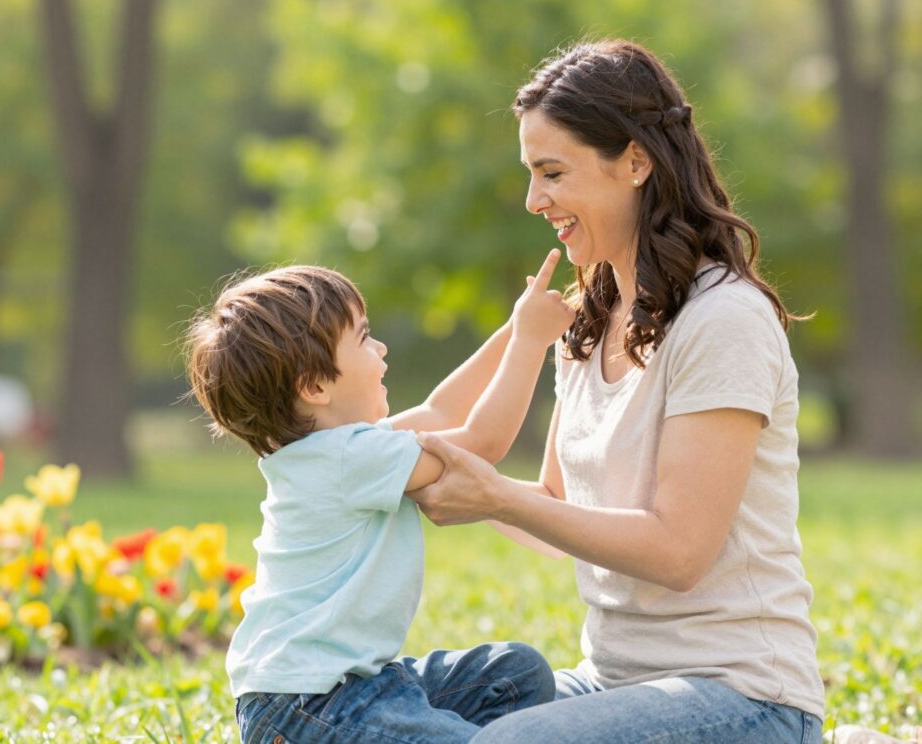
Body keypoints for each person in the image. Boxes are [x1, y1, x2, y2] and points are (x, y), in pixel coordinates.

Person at [409, 39, 827, 743]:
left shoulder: (724, 320)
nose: (533, 200)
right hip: (612, 680)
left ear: (636, 161)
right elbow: (559, 508)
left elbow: (679, 552)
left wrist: (494, 496)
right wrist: (420, 475)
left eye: (552, 173)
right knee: (398, 716)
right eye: (531, 175)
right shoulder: (587, 319)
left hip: (745, 698)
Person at [184, 259, 573, 743]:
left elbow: (440, 411)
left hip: (346, 690)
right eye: (365, 338)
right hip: (311, 708)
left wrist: (517, 327)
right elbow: (482, 441)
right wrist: (532, 342)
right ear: (315, 386)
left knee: (515, 675)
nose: (382, 348)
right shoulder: (349, 459)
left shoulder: (341, 450)